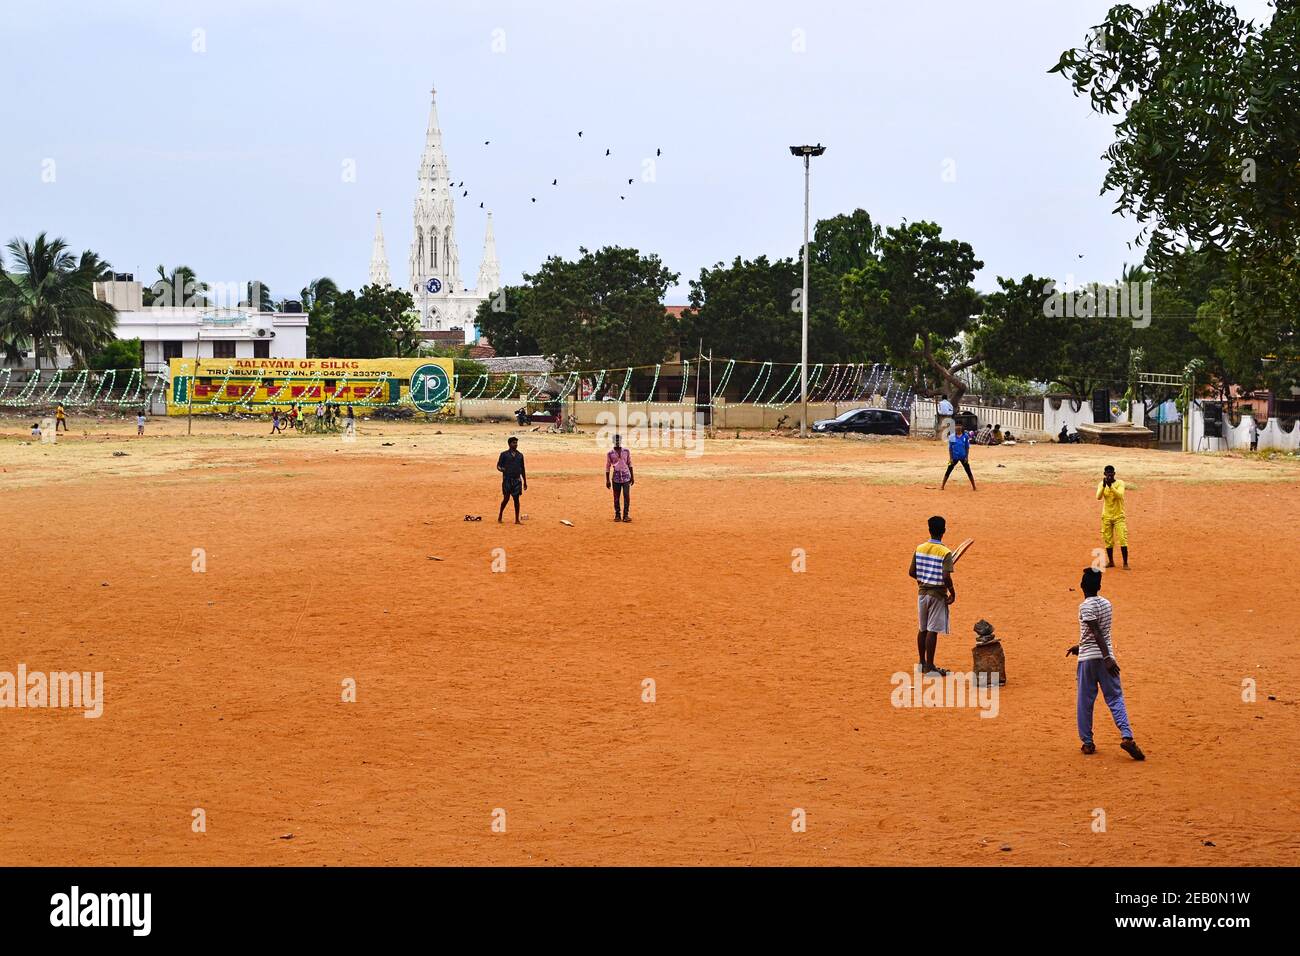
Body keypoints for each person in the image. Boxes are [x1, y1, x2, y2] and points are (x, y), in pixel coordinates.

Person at [1066, 568, 1145, 760]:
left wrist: (1104, 656)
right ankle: (1127, 735)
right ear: (1099, 586)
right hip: (1104, 658)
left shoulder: (1085, 606)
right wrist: (1103, 655)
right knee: (1115, 697)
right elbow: (1099, 632)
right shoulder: (1107, 604)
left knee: (1085, 701)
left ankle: (1087, 742)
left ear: (1082, 586)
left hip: (1089, 660)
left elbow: (1095, 632)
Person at [908, 515, 956, 676]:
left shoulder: (919, 548)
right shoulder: (945, 552)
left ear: (929, 530)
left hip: (922, 592)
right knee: (932, 630)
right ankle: (930, 666)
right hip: (937, 594)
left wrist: (922, 579)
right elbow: (946, 576)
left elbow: (912, 572)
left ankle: (922, 662)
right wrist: (952, 591)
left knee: (922, 628)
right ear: (944, 531)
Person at [1097, 464, 1128, 569]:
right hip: (1106, 516)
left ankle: (1125, 563)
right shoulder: (1102, 484)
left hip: (1119, 516)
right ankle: (1111, 562)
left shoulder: (1120, 483)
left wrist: (1111, 486)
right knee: (1108, 540)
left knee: (1122, 538)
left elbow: (1120, 495)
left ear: (1114, 474)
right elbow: (1098, 497)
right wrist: (1105, 486)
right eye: (1107, 474)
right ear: (1104, 474)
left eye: (1111, 473)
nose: (1109, 476)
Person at [497, 436, 527, 524]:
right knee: (506, 499)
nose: (516, 445)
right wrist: (502, 469)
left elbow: (523, 469)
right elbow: (498, 465)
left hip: (517, 480)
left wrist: (525, 481)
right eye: (514, 443)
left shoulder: (520, 455)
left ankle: (517, 519)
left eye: (516, 443)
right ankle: (500, 515)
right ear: (509, 444)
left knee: (516, 500)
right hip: (507, 480)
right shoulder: (504, 454)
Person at [605, 434, 634, 522]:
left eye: (619, 440)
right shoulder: (610, 453)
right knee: (616, 497)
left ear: (621, 441)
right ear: (613, 442)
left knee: (626, 496)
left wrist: (632, 477)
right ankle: (617, 515)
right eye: (616, 441)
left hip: (626, 477)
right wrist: (607, 480)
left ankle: (626, 515)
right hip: (616, 478)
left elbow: (630, 464)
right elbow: (607, 467)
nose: (617, 442)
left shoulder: (626, 451)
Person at [941, 421, 976, 490]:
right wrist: (950, 458)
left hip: (963, 457)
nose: (958, 427)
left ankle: (974, 486)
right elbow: (950, 448)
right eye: (957, 425)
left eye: (960, 425)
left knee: (968, 471)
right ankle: (942, 486)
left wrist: (966, 457)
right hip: (954, 457)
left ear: (962, 427)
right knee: (948, 470)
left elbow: (967, 447)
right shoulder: (952, 436)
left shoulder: (965, 436)